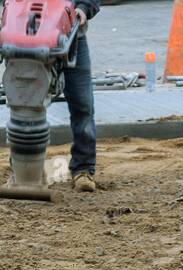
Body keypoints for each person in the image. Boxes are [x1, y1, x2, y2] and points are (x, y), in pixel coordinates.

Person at [64, 1, 100, 192]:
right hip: (31, 39)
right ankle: (23, 168)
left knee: (83, 105)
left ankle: (83, 169)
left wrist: (84, 8)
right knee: (27, 106)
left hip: (73, 39)